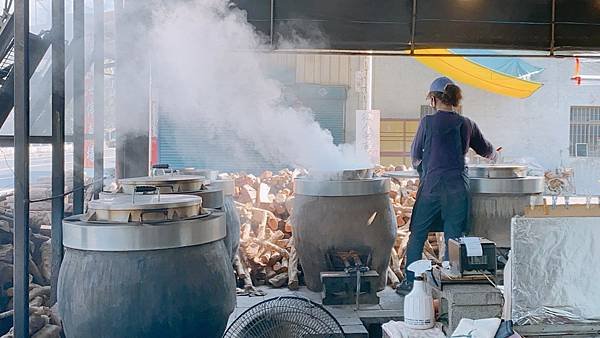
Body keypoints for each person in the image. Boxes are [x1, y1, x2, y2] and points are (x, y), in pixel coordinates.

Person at [396, 77, 498, 295]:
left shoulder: (427, 122)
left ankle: (411, 283)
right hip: (457, 189)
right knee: (454, 237)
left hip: (432, 186)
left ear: (433, 100)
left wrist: (425, 174)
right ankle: (447, 284)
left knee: (418, 234)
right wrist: (495, 155)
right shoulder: (467, 123)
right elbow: (487, 151)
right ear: (455, 100)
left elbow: (415, 157)